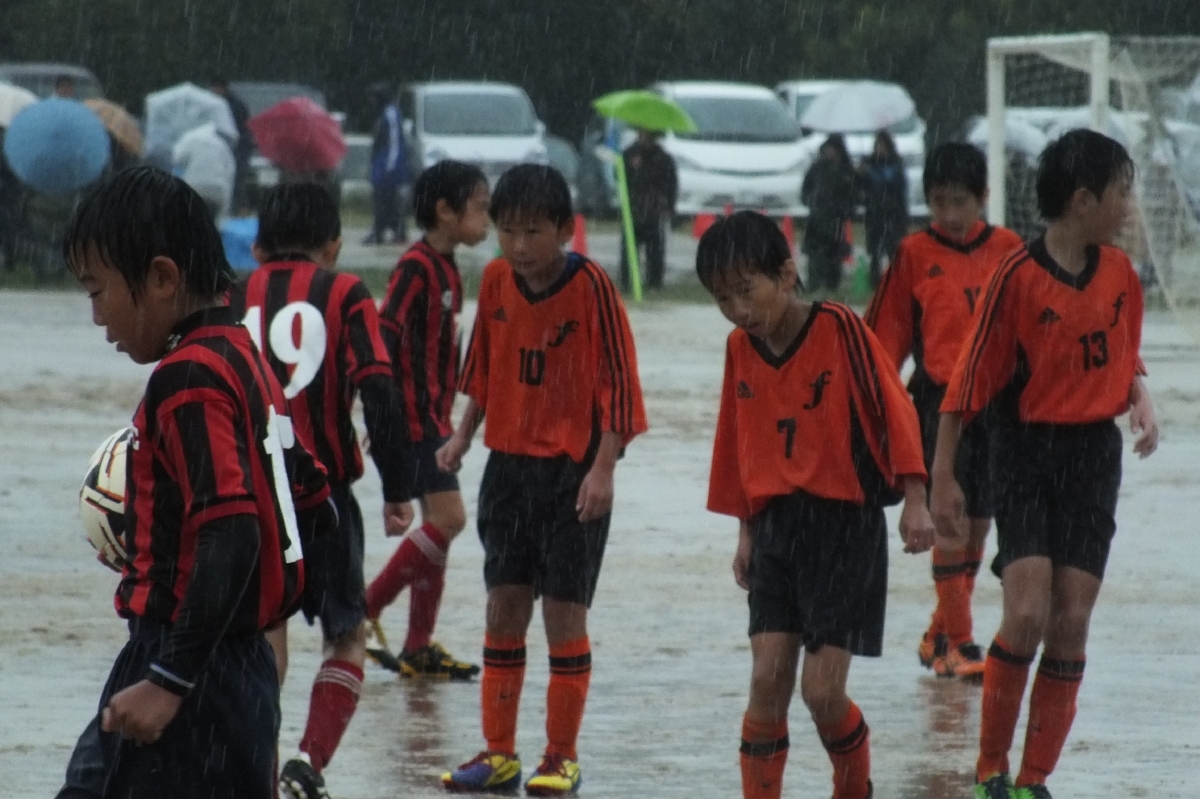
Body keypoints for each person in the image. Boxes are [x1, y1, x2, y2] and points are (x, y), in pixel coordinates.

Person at [55, 167, 333, 799]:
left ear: (162, 277)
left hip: (188, 666)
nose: (96, 316)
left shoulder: (187, 378)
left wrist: (170, 680)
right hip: (239, 669)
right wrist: (272, 597)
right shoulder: (245, 357)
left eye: (98, 291)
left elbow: (232, 531)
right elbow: (316, 507)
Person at [929, 129, 1159, 799]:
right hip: (1026, 451)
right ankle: (990, 768)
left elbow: (1119, 349)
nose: (1129, 205)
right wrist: (941, 476)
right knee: (1027, 612)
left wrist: (1140, 396)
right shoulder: (1017, 277)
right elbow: (967, 381)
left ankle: (1033, 781)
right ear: (1084, 200)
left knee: (1071, 621)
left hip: (1093, 458)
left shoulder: (1121, 273)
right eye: (1122, 191)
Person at [698, 210, 935, 799]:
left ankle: (854, 788)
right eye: (723, 299)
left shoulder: (839, 327)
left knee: (822, 693)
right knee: (766, 681)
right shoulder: (739, 348)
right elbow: (739, 439)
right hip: (775, 530)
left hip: (843, 529)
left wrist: (916, 498)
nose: (738, 310)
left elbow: (896, 408)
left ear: (786, 274)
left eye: (746, 291)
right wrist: (745, 533)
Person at [437, 164, 647, 795]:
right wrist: (462, 435)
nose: (519, 246)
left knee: (562, 611)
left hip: (571, 474)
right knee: (504, 605)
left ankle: (560, 756)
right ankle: (499, 752)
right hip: (508, 470)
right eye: (508, 231)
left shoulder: (592, 288)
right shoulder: (497, 280)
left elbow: (619, 387)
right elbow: (485, 367)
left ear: (564, 230)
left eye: (533, 232)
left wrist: (604, 470)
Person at [227, 182, 417, 799]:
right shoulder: (346, 292)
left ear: (259, 247)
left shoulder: (234, 294)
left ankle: (256, 775)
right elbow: (379, 387)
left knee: (264, 638)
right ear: (333, 245)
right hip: (324, 496)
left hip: (248, 497)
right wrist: (397, 487)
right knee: (345, 634)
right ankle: (307, 762)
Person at [864, 142, 1025, 679]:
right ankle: (960, 643)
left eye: (961, 202)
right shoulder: (913, 254)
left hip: (996, 407)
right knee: (949, 522)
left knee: (978, 527)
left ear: (983, 197)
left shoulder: (1010, 249)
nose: (950, 215)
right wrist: (871, 406)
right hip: (939, 405)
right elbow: (884, 340)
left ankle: (939, 631)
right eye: (939, 203)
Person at [364, 160, 491, 679]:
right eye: (480, 208)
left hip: (435, 416)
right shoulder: (415, 267)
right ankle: (367, 605)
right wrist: (381, 412)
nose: (488, 220)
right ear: (445, 211)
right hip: (414, 420)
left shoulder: (448, 268)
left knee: (440, 524)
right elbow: (384, 334)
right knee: (450, 520)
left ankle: (418, 645)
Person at [620, 127, 678, 292]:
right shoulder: (629, 154)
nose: (646, 137)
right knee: (629, 247)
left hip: (654, 209)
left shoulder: (663, 158)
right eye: (643, 133)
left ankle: (654, 282)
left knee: (655, 249)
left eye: (650, 134)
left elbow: (671, 184)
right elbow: (621, 177)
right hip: (633, 208)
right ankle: (627, 281)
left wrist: (669, 206)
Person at [801, 134, 856, 292]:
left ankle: (832, 285)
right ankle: (814, 284)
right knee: (815, 256)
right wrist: (812, 201)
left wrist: (845, 209)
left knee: (834, 256)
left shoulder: (846, 171)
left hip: (836, 220)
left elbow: (853, 195)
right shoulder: (817, 168)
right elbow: (806, 191)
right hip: (817, 219)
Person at [857, 130, 909, 287]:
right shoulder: (868, 163)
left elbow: (899, 189)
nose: (880, 149)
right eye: (878, 145)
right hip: (874, 214)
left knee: (893, 250)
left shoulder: (895, 164)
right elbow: (860, 188)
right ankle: (875, 282)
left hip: (893, 214)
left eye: (883, 146)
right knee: (875, 251)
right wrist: (860, 174)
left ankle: (896, 281)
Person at [366, 82, 410, 245]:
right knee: (383, 199)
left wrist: (390, 165)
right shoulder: (384, 113)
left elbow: (394, 142)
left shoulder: (391, 114)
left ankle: (386, 231)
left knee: (385, 199)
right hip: (382, 163)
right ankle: (385, 230)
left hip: (388, 165)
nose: (371, 102)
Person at [171, 121, 236, 220]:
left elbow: (176, 158)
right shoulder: (222, 145)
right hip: (218, 190)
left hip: (194, 186)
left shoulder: (190, 137)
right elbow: (230, 172)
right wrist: (225, 212)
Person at [208, 75, 253, 213]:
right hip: (223, 148)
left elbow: (242, 128)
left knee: (236, 179)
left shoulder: (235, 105)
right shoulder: (213, 104)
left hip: (239, 147)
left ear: (223, 88)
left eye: (217, 87)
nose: (214, 90)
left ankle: (238, 207)